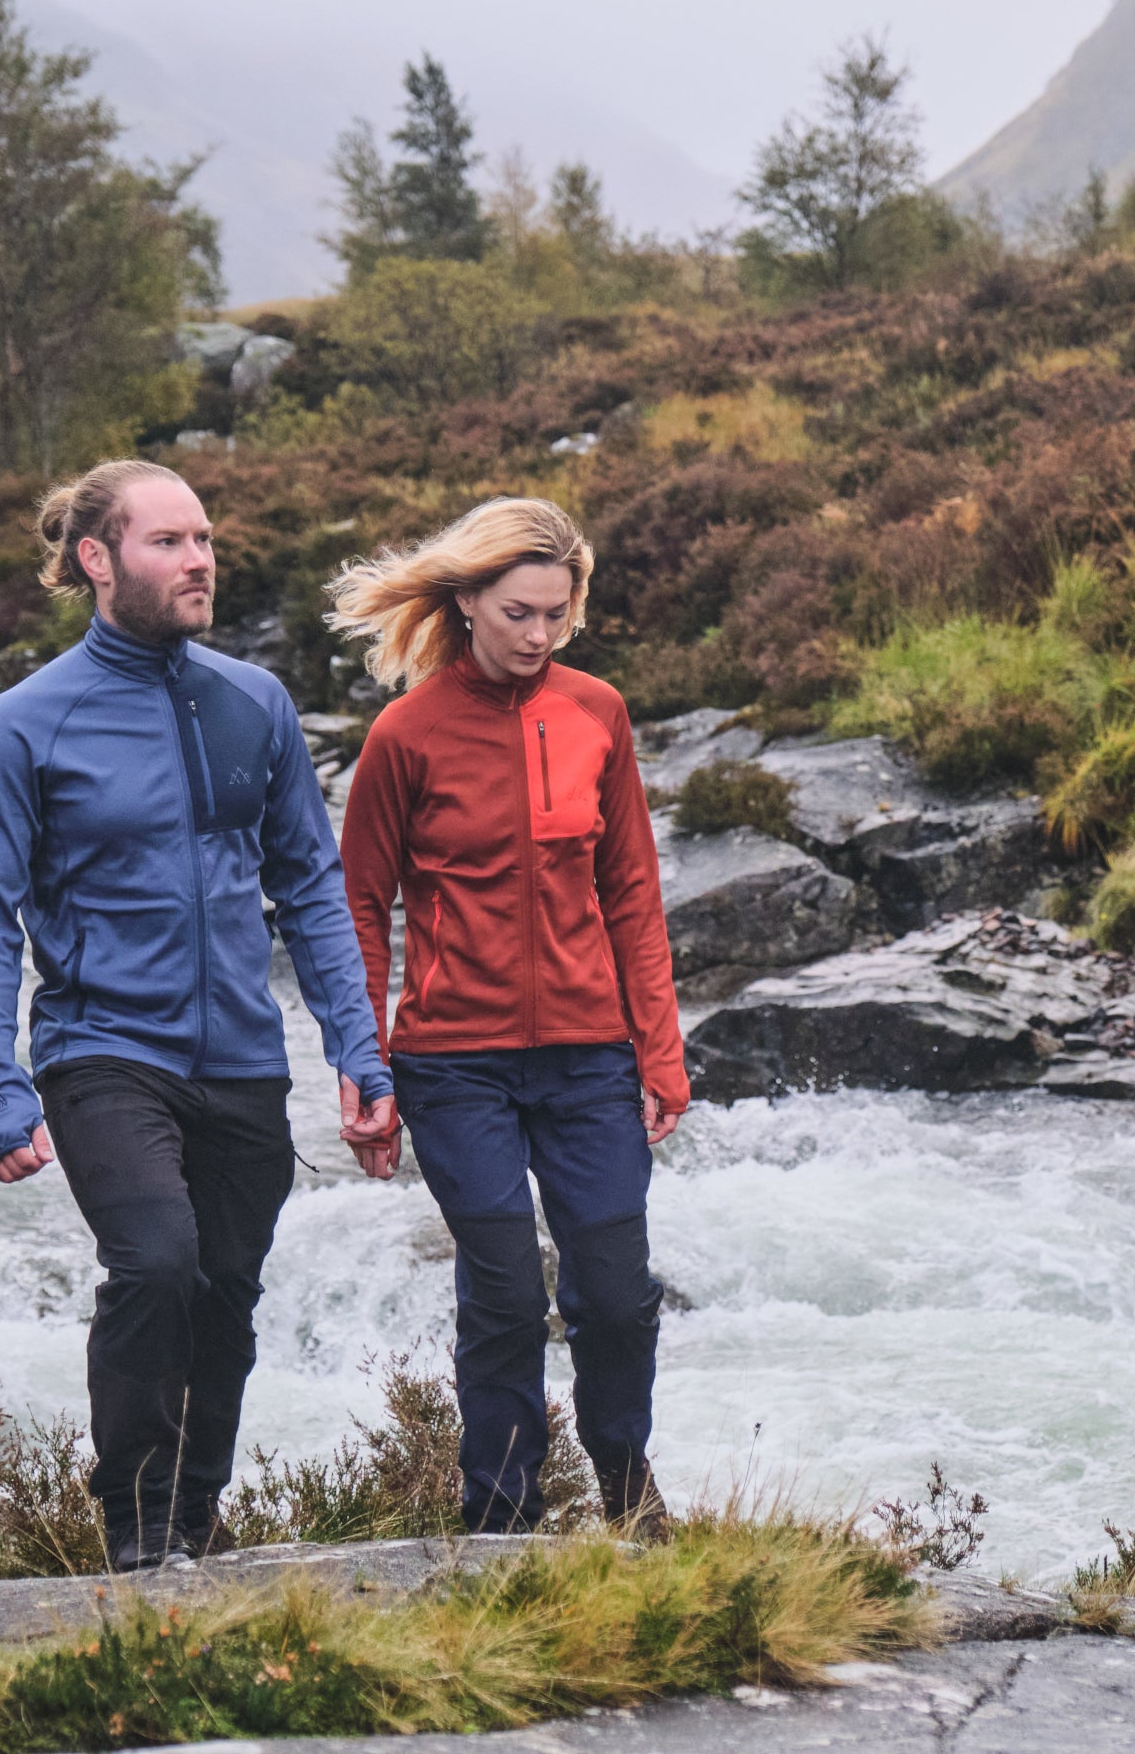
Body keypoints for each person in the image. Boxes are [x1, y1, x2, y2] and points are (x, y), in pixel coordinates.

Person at [0, 458, 388, 1571]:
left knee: (227, 1294)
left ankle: (196, 1516)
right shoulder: (25, 723)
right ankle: (136, 1527)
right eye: (168, 542)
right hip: (103, 1049)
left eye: (204, 539)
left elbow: (313, 887)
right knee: (155, 1261)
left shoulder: (255, 702)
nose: (198, 560)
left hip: (241, 1055)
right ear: (97, 559)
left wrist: (357, 1048)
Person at [331, 496, 688, 1534]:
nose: (538, 635)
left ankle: (624, 1478)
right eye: (519, 611)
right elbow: (358, 901)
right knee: (500, 1296)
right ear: (468, 600)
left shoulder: (596, 712)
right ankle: (500, 1519)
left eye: (556, 615)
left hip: (590, 1057)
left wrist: (660, 1051)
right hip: (455, 1062)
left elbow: (632, 891)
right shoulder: (404, 735)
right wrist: (367, 1067)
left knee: (617, 1296)